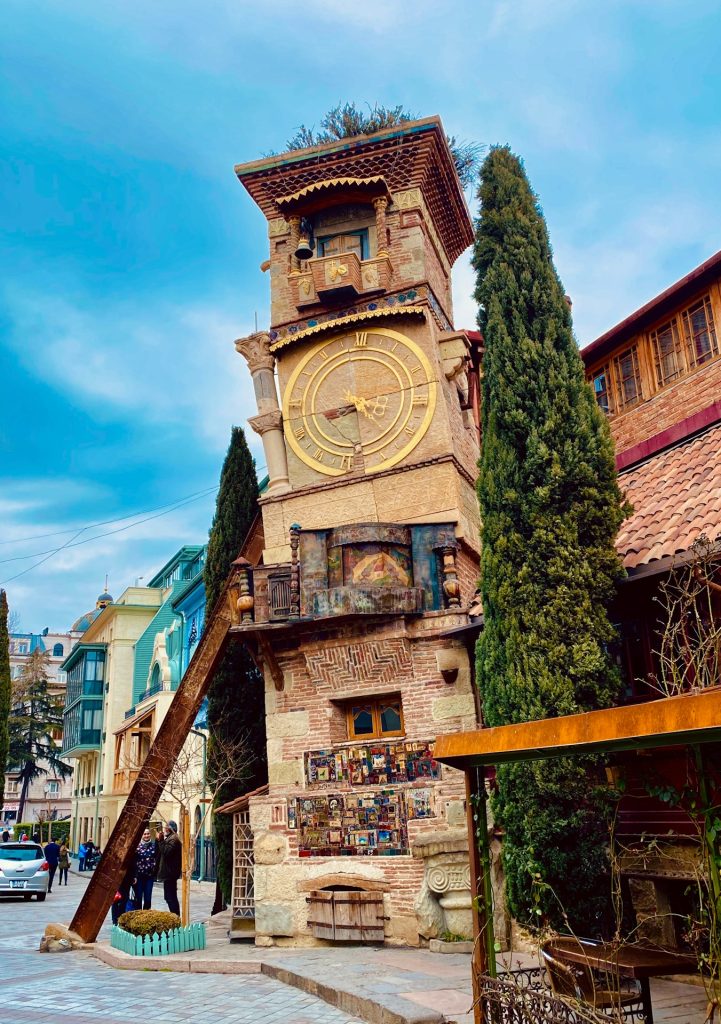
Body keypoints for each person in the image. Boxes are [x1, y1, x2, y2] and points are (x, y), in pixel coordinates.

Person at [156, 820, 181, 916]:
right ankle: (175, 916)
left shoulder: (174, 839)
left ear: (171, 829)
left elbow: (166, 852)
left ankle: (175, 917)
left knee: (171, 897)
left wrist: (161, 840)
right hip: (169, 873)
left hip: (170, 874)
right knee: (169, 897)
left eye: (167, 827)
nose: (165, 829)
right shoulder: (170, 838)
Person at [132, 827, 157, 910]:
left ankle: (146, 916)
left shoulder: (154, 846)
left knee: (148, 898)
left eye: (148, 834)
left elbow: (157, 858)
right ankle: (138, 916)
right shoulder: (137, 847)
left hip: (149, 876)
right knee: (138, 897)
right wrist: (134, 875)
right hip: (139, 876)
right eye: (145, 834)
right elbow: (134, 862)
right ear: (142, 835)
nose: (146, 835)